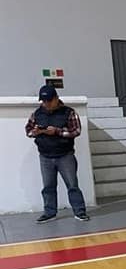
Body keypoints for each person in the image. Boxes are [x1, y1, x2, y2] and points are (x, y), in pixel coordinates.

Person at [25, 85, 89, 222]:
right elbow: (28, 130)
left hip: (65, 156)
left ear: (56, 98)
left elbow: (76, 131)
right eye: (43, 101)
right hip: (45, 156)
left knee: (72, 185)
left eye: (49, 100)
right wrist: (35, 132)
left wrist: (57, 131)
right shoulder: (37, 113)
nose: (46, 104)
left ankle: (80, 212)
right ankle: (49, 213)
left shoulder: (69, 112)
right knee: (48, 186)